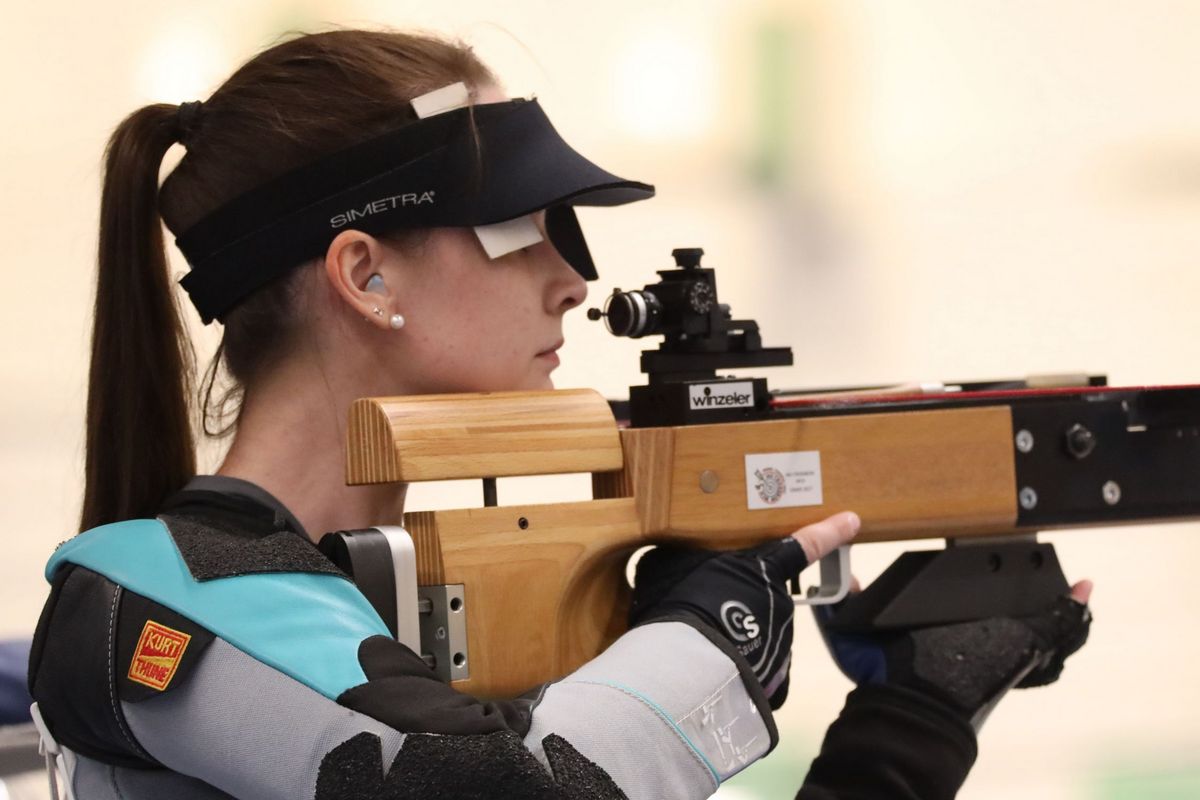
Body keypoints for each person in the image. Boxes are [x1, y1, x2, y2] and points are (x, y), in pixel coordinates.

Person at [26, 29, 1091, 800]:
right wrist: (706, 638)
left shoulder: (447, 620)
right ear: (365, 274)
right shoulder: (150, 595)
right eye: (517, 226)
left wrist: (917, 719)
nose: (573, 280)